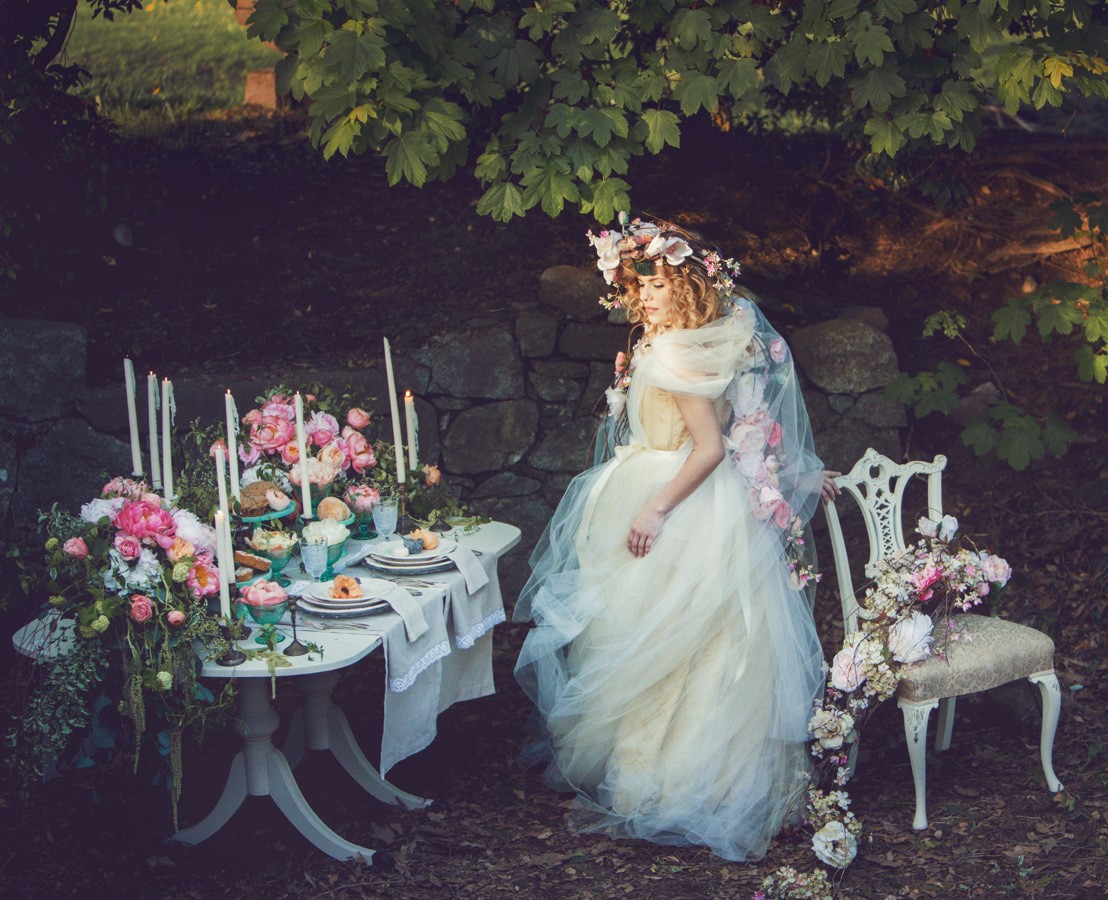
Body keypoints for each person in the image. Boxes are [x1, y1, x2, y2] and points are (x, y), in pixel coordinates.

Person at [514, 215, 839, 862]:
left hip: (678, 497)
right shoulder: (689, 342)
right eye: (643, 286)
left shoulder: (670, 351)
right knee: (653, 638)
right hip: (673, 488)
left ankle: (672, 783)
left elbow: (714, 447)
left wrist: (655, 510)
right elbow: (747, 426)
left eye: (660, 284)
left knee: (677, 643)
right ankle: (671, 776)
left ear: (687, 285)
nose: (648, 296)